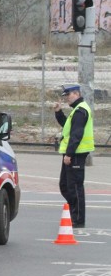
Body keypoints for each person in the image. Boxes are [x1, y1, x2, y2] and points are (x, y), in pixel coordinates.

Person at [54, 83, 94, 228]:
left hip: (76, 154)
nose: (66, 99)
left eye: (68, 96)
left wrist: (69, 154)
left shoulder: (80, 110)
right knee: (65, 185)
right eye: (65, 97)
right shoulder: (76, 110)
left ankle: (77, 218)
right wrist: (59, 112)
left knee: (75, 187)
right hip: (72, 153)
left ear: (76, 94)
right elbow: (67, 127)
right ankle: (73, 213)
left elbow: (77, 134)